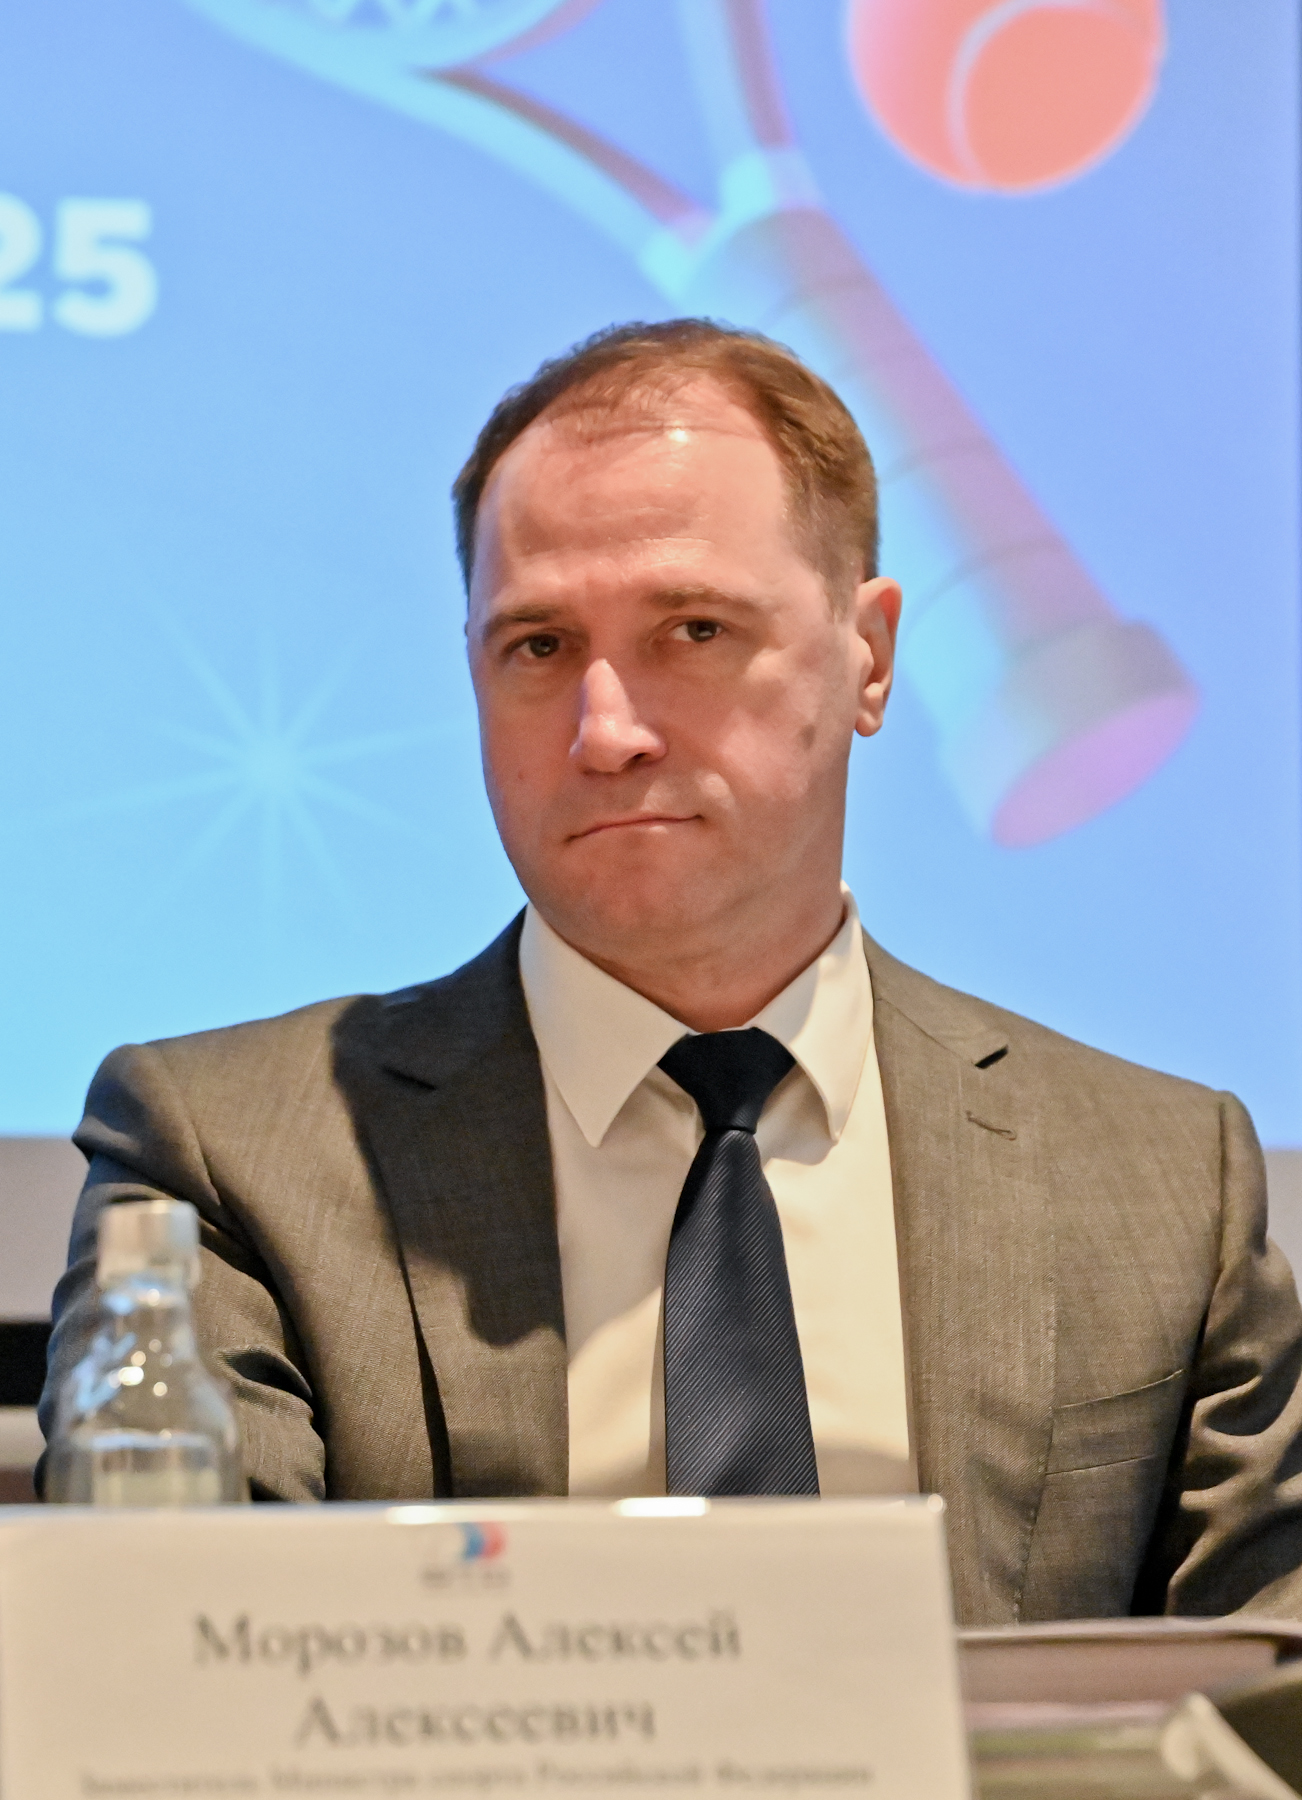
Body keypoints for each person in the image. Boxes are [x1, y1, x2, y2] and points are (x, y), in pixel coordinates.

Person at [41, 319, 1302, 1624]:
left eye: (692, 629)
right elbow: (176, 1660)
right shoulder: (230, 1158)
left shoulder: (1160, 1183)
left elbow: (1267, 1693)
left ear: (868, 657)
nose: (606, 732)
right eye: (537, 646)